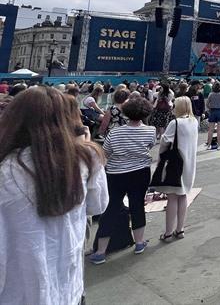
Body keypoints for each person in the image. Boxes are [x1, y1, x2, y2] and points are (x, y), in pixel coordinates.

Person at [1, 87, 108, 305]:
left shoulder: (6, 170)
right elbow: (98, 206)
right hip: (69, 289)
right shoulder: (86, 158)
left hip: (19, 292)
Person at [91, 96, 157, 264]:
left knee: (111, 209)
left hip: (116, 174)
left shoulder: (115, 132)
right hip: (141, 172)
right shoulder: (150, 131)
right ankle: (139, 243)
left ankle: (100, 251)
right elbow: (149, 146)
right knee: (137, 205)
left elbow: (105, 154)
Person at [156, 96, 198, 242]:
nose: (173, 108)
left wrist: (160, 158)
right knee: (183, 195)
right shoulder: (194, 121)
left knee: (172, 197)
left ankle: (168, 233)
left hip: (175, 164)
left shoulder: (175, 123)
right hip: (189, 163)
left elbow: (164, 142)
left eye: (175, 106)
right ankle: (180, 229)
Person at [205, 82, 220, 149]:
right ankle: (219, 145)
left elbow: (207, 104)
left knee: (210, 130)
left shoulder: (211, 94)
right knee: (219, 130)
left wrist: (210, 108)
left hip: (213, 111)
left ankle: (209, 145)